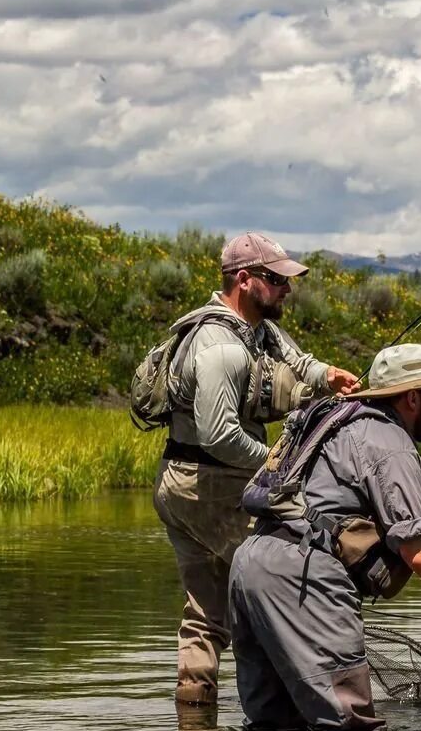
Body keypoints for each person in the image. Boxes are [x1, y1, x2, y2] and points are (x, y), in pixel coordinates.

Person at [227, 343, 421, 731]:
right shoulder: (387, 439)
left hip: (251, 561)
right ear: (411, 398)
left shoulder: (334, 418)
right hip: (302, 576)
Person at [153, 231, 360, 706]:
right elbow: (219, 435)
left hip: (184, 483)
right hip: (205, 485)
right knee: (282, 576)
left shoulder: (258, 329)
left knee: (206, 611)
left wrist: (329, 377)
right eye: (277, 280)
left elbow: (297, 361)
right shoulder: (219, 347)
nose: (287, 289)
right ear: (244, 280)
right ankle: (295, 709)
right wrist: (276, 464)